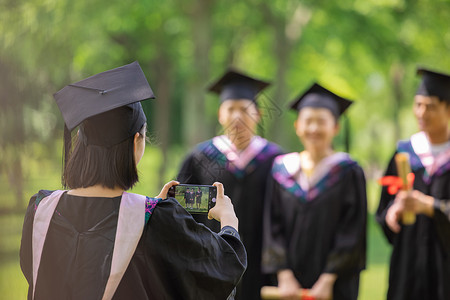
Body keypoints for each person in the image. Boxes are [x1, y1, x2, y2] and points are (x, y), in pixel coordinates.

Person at [19, 62, 247, 300]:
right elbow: (219, 272)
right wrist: (228, 221)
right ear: (136, 141)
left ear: (83, 145)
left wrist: (151, 213)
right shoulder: (157, 220)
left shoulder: (40, 209)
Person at [177, 69, 283, 300]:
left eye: (245, 109)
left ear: (259, 114)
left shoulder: (277, 160)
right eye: (231, 109)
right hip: (211, 262)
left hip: (263, 267)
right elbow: (182, 214)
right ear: (220, 114)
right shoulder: (199, 158)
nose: (238, 116)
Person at [262, 83, 367, 300]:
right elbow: (272, 226)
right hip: (288, 288)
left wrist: (328, 279)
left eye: (321, 122)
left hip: (334, 288)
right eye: (308, 121)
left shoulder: (348, 172)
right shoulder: (282, 171)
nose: (314, 129)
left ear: (335, 127)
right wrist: (284, 275)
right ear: (297, 126)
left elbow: (352, 232)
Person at [376, 68, 450, 300]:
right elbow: (383, 208)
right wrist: (392, 213)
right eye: (418, 104)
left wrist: (430, 207)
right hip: (407, 270)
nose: (422, 112)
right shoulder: (404, 153)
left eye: (431, 106)